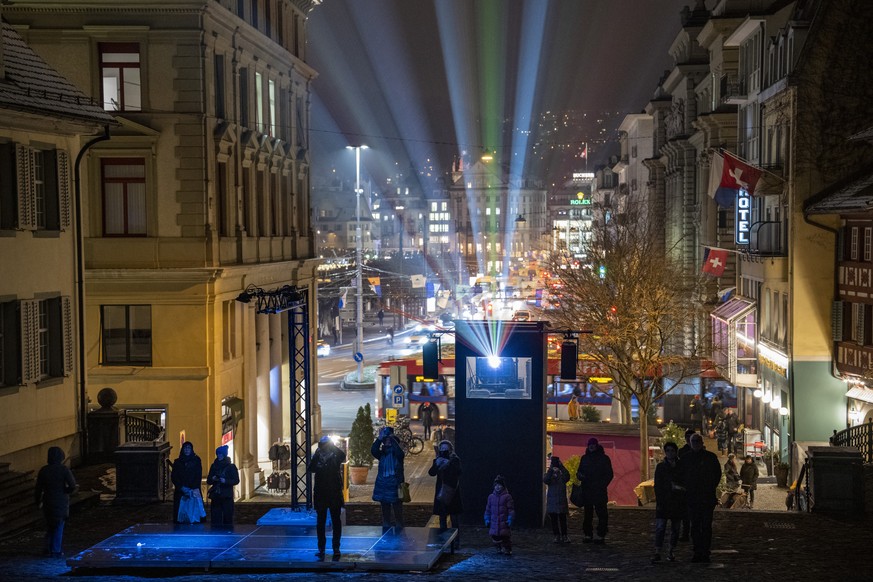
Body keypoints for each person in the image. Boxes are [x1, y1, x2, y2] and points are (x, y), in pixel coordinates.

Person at [678, 432, 721, 563]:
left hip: (705, 497)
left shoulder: (710, 458)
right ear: (691, 443)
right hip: (693, 498)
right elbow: (681, 476)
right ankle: (698, 551)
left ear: (701, 443)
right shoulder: (686, 459)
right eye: (694, 441)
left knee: (706, 526)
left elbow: (717, 475)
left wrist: (709, 487)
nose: (696, 444)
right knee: (696, 526)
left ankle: (704, 552)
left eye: (697, 441)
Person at [34, 446, 77, 557]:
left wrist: (37, 501)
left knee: (50, 525)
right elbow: (72, 485)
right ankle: (55, 550)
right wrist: (66, 491)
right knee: (59, 525)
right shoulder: (63, 470)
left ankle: (47, 547)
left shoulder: (44, 470)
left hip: (48, 500)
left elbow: (38, 488)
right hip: (60, 500)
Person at [309, 435, 346, 559]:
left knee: (336, 520)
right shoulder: (318, 455)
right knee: (321, 522)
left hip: (334, 491)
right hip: (321, 492)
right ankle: (321, 548)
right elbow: (311, 468)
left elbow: (343, 456)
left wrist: (333, 447)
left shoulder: (335, 455)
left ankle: (336, 547)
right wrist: (317, 453)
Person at [576, 437, 613, 543]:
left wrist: (602, 485)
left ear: (596, 445)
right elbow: (579, 471)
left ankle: (601, 534)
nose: (591, 446)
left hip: (599, 490)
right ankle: (588, 534)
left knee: (601, 513)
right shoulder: (585, 458)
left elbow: (609, 474)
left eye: (593, 444)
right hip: (587, 489)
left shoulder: (604, 458)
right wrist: (580, 476)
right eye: (590, 444)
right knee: (588, 513)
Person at [651, 442, 684, 563]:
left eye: (672, 450)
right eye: (668, 450)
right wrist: (660, 499)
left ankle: (671, 551)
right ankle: (657, 551)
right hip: (664, 502)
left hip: (677, 502)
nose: (670, 453)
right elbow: (657, 485)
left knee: (675, 529)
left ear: (676, 452)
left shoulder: (681, 466)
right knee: (660, 528)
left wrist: (679, 488)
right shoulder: (661, 467)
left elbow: (685, 481)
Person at [429, 440, 462, 549]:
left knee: (454, 519)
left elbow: (458, 472)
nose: (443, 451)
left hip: (452, 492)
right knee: (442, 518)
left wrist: (448, 463)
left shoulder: (455, 460)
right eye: (441, 449)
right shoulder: (438, 460)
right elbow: (431, 473)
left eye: (445, 449)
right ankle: (444, 541)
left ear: (450, 449)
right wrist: (437, 463)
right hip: (441, 492)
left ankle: (456, 542)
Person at [371, 426, 405, 532]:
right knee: (385, 516)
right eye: (385, 441)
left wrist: (392, 438)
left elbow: (399, 452)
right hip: (383, 487)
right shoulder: (381, 455)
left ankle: (400, 535)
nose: (387, 443)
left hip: (396, 487)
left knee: (398, 514)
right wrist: (379, 438)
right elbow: (373, 450)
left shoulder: (398, 455)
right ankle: (386, 535)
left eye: (389, 441)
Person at [206, 445, 240, 526]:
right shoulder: (214, 466)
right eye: (217, 454)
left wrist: (225, 481)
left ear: (224, 454)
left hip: (226, 495)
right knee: (215, 518)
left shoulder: (231, 467)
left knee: (227, 518)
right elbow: (209, 480)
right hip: (216, 495)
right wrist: (213, 478)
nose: (219, 456)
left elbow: (236, 480)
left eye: (220, 454)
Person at [170, 441, 203, 524]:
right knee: (180, 516)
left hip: (193, 490)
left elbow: (198, 475)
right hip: (181, 491)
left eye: (189, 448)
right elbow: (174, 476)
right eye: (185, 448)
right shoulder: (177, 462)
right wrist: (181, 487)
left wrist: (191, 489)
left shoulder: (196, 460)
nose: (187, 450)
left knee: (193, 515)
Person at [484, 475, 515, 556]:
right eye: (496, 485)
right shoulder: (491, 497)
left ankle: (507, 549)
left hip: (503, 521)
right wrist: (487, 519)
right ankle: (498, 547)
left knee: (505, 536)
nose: (497, 487)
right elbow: (488, 509)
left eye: (499, 485)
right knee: (495, 536)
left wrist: (510, 519)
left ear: (503, 486)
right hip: (494, 521)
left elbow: (511, 509)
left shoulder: (507, 496)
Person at [543, 455, 571, 543]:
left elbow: (567, 476)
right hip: (552, 501)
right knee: (554, 520)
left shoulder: (562, 475)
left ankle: (564, 535)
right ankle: (557, 535)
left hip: (561, 499)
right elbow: (546, 480)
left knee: (563, 520)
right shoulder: (549, 474)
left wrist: (561, 467)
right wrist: (551, 470)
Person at [677, 429, 695, 541]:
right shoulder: (682, 451)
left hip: (696, 486)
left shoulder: (700, 451)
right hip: (685, 486)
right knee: (685, 513)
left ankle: (693, 533)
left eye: (690, 437)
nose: (688, 439)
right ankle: (686, 533)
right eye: (687, 437)